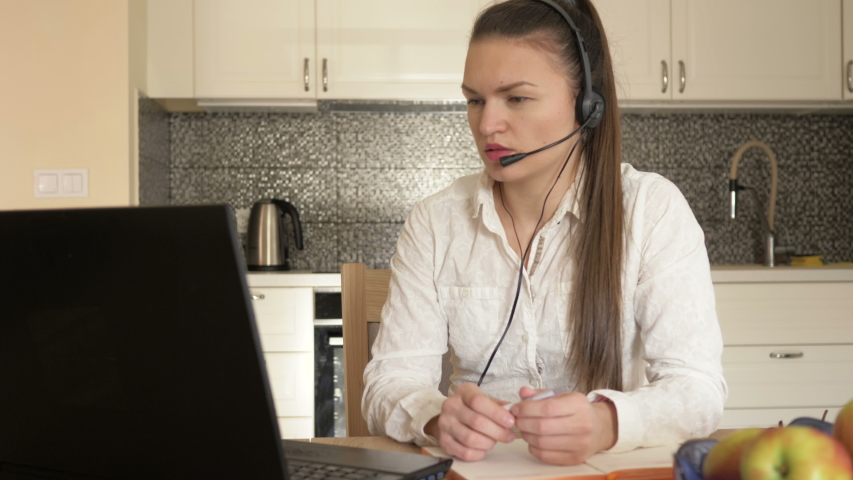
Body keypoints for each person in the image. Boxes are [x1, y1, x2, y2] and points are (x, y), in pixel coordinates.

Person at [361, 0, 727, 466]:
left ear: (586, 106)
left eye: (516, 98)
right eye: (475, 100)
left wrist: (606, 423)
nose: (486, 124)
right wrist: (436, 418)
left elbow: (698, 390)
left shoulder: (650, 210)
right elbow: (389, 382)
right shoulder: (435, 223)